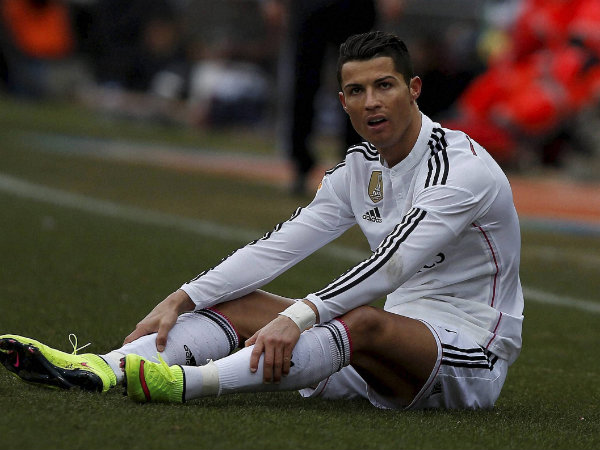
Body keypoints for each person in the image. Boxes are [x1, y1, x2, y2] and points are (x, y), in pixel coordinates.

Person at [0, 31, 523, 410]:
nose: (371, 103)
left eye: (384, 86)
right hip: (380, 354)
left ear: (414, 89)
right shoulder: (357, 169)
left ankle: (186, 385)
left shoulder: (460, 170)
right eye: (356, 91)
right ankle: (101, 368)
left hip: (469, 356)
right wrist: (184, 296)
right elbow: (280, 246)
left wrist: (298, 317)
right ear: (342, 102)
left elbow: (391, 266)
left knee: (360, 319)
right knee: (239, 303)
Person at [262, 0, 405, 195]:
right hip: (312, 6)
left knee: (359, 86)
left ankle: (355, 166)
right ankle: (301, 165)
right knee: (305, 84)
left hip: (354, 8)